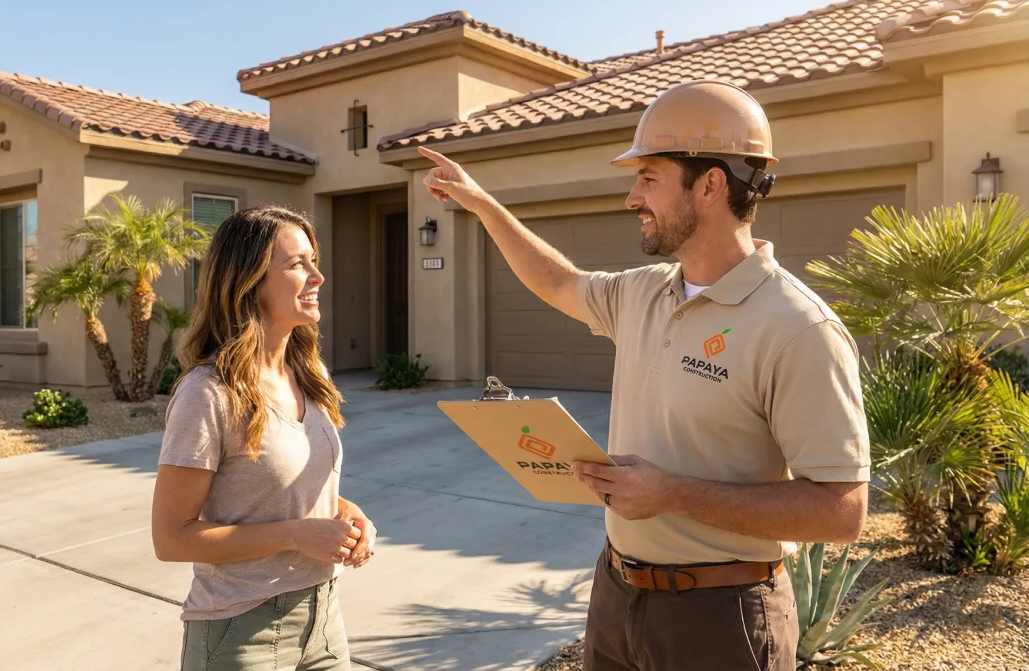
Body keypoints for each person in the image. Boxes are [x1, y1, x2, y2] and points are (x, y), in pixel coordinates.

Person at [418, 79, 869, 671]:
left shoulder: (798, 327)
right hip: (616, 592)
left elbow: (840, 511)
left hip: (721, 615)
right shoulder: (643, 291)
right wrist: (481, 203)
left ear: (710, 184)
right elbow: (556, 280)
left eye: (649, 178)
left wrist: (672, 494)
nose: (633, 198)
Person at [151, 204, 377, 671]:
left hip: (323, 619)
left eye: (314, 261)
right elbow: (171, 538)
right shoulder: (208, 393)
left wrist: (349, 516)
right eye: (297, 264)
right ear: (248, 282)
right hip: (241, 631)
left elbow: (277, 492)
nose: (317, 276)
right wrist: (297, 535)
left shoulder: (305, 374)